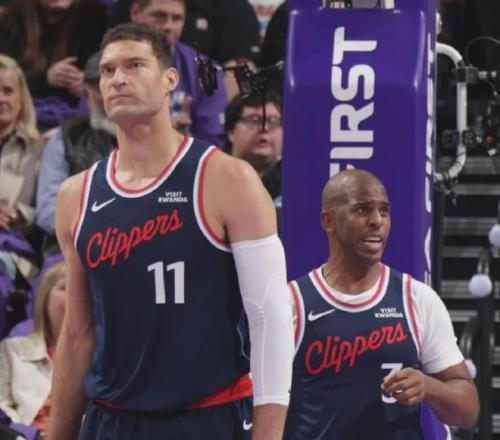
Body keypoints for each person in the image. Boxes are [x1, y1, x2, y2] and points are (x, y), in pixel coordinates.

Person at [47, 22, 293, 440]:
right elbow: (77, 335)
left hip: (207, 417)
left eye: (134, 65)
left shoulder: (227, 178)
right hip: (112, 420)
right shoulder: (77, 195)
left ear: (170, 79)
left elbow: (270, 318)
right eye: (107, 70)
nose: (117, 78)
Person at [284, 169, 479, 439]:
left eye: (384, 211)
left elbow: (468, 412)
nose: (377, 221)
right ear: (329, 221)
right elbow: (263, 405)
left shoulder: (417, 298)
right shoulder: (292, 302)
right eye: (362, 210)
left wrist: (429, 386)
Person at [36, 52, 116, 254]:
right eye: (100, 87)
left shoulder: (157, 141)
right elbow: (48, 212)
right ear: (87, 95)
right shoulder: (65, 138)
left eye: (116, 85)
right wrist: (100, 231)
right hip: (73, 250)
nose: (110, 95)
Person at [130, 0, 227, 146]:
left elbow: (212, 141)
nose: (168, 26)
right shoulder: (110, 64)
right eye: (159, 16)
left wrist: (182, 141)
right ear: (136, 13)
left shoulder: (205, 70)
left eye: (176, 18)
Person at [0, 0, 108, 130]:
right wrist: (45, 78)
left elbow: (110, 71)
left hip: (81, 120)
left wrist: (89, 82)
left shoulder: (95, 17)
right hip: (22, 118)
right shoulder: (10, 19)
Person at [0, 261, 66, 438]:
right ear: (45, 299)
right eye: (64, 287)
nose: (74, 296)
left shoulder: (98, 354)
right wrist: (29, 435)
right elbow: (2, 406)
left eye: (81, 289)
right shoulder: (12, 349)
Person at [225, 90, 282, 179]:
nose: (264, 128)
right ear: (231, 131)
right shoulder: (212, 177)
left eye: (273, 121)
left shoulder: (295, 180)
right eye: (254, 120)